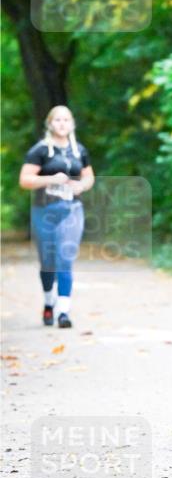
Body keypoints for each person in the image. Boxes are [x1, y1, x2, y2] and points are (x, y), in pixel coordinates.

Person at [19, 106, 95, 328]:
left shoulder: (79, 150)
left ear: (72, 124)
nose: (62, 124)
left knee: (66, 257)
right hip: (45, 210)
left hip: (72, 209)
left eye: (66, 120)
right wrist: (50, 179)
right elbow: (25, 180)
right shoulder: (40, 151)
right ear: (50, 124)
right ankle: (49, 302)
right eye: (58, 120)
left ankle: (64, 311)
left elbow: (89, 177)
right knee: (48, 261)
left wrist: (81, 185)